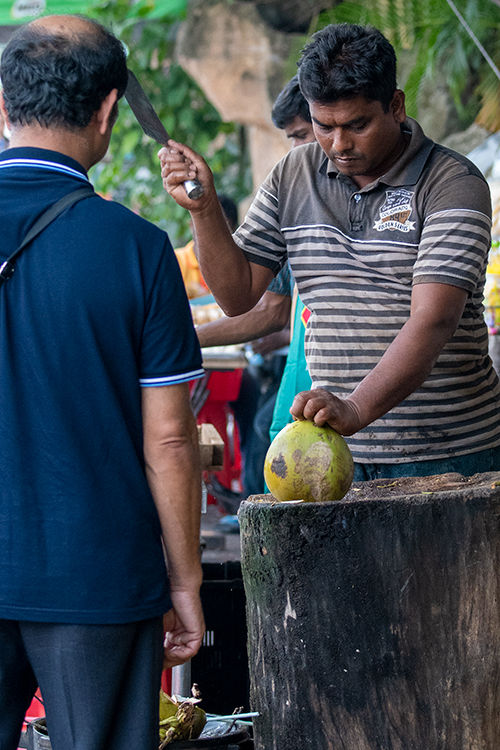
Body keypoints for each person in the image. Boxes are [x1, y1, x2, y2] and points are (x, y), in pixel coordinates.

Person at [160, 22, 500, 482]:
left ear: (395, 106)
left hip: (450, 455)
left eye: (357, 125)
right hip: (335, 454)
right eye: (324, 126)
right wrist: (203, 210)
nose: (339, 145)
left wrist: (357, 407)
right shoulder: (293, 173)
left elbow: (434, 317)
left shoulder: (452, 182)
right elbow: (238, 296)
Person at [0, 15, 205, 750]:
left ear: (1, 105)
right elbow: (172, 441)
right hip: (96, 575)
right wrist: (184, 586)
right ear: (109, 110)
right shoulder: (138, 250)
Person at [196, 78, 314, 498]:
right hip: (302, 382)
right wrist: (188, 339)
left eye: (302, 134)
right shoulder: (293, 196)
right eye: (292, 138)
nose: (295, 149)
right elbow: (262, 308)